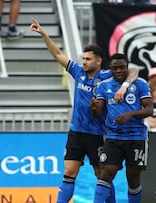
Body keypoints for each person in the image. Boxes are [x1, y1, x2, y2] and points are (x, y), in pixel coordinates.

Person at [30, 18, 139, 203]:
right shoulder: (78, 72)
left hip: (97, 134)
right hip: (76, 132)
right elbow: (57, 54)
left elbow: (134, 70)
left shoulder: (107, 76)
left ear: (98, 60)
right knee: (69, 171)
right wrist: (43, 34)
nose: (84, 62)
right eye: (83, 59)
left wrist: (124, 86)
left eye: (88, 59)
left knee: (101, 175)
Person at [90, 53, 153, 203]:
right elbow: (99, 112)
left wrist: (130, 114)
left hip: (136, 137)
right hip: (113, 137)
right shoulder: (104, 86)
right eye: (115, 68)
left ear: (127, 67)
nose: (118, 71)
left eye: (121, 67)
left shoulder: (140, 84)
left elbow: (149, 109)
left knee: (133, 177)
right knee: (107, 172)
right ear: (110, 69)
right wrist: (94, 108)